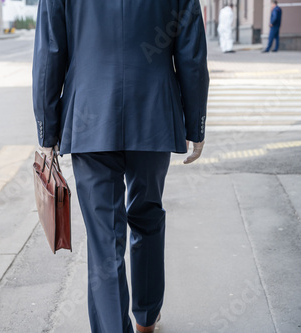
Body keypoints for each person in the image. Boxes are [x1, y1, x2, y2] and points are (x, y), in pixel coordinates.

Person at [32, 1, 209, 332]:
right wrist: (194, 125)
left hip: (90, 114)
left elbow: (50, 51)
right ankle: (146, 315)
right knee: (147, 216)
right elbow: (192, 54)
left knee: (104, 237)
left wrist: (47, 129)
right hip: (153, 110)